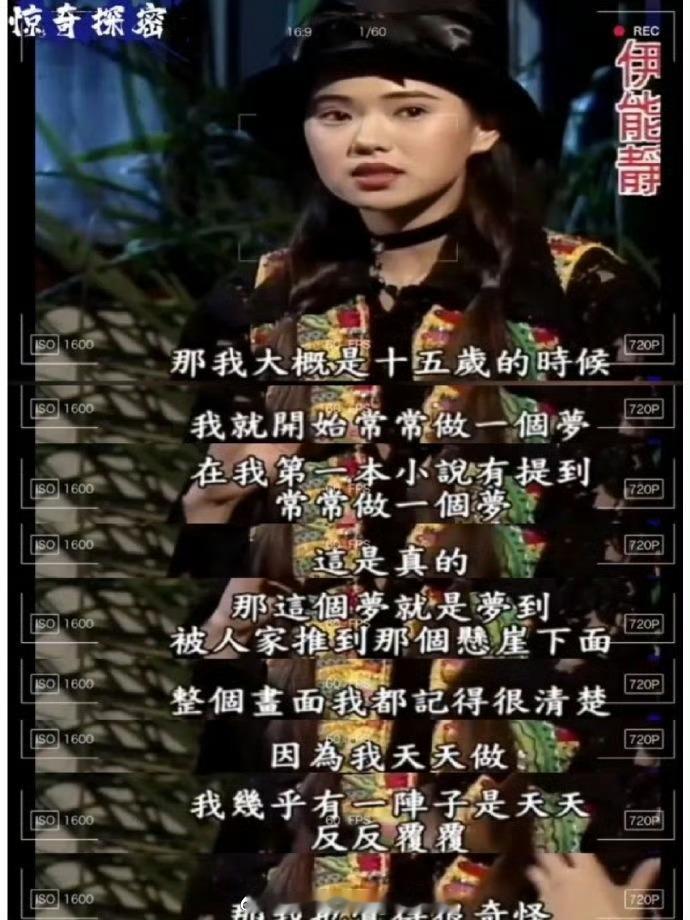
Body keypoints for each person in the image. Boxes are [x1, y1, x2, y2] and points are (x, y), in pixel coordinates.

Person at [171, 1, 662, 917]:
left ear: (484, 128)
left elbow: (635, 582)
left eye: (408, 109)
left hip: (521, 793)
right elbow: (223, 600)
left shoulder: (578, 292)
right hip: (314, 797)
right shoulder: (256, 304)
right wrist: (212, 526)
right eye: (335, 113)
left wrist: (614, 844)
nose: (367, 138)